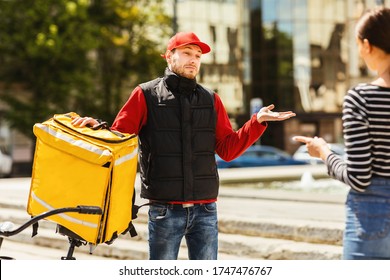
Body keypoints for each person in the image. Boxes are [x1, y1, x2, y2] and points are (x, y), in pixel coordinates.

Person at [72, 31, 296, 260]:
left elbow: (228, 150)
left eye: (198, 56)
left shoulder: (211, 99)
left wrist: (256, 123)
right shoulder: (145, 94)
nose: (193, 60)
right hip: (165, 210)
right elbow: (120, 138)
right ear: (170, 57)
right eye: (187, 53)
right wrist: (98, 128)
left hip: (206, 209)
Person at [293, 7, 390, 260]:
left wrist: (324, 152)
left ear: (367, 45)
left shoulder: (361, 98)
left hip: (375, 214)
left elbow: (359, 178)